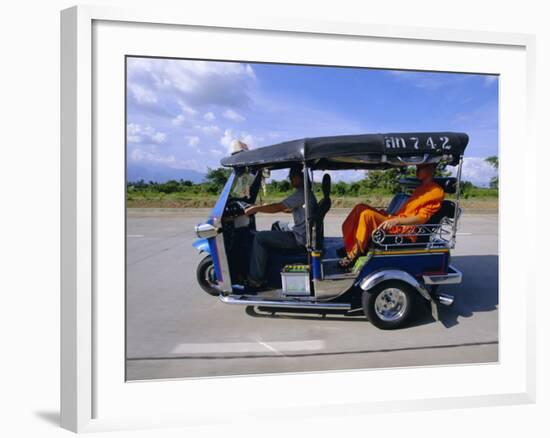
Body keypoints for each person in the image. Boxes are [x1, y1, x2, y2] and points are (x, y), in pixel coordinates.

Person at [339, 163, 444, 269]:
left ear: (431, 168)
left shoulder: (436, 191)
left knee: (367, 215)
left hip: (403, 228)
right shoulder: (421, 188)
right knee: (360, 207)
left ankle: (354, 254)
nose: (416, 170)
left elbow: (422, 218)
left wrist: (397, 221)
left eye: (420, 168)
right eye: (416, 167)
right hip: (395, 219)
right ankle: (350, 244)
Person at [243, 166, 318, 289]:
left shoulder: (301, 193)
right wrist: (269, 207)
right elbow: (290, 208)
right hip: (303, 231)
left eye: (291, 177)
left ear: (299, 178)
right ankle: (271, 262)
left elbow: (278, 207)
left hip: (299, 238)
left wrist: (256, 209)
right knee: (277, 225)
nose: (290, 180)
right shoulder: (305, 192)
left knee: (260, 238)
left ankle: (255, 280)